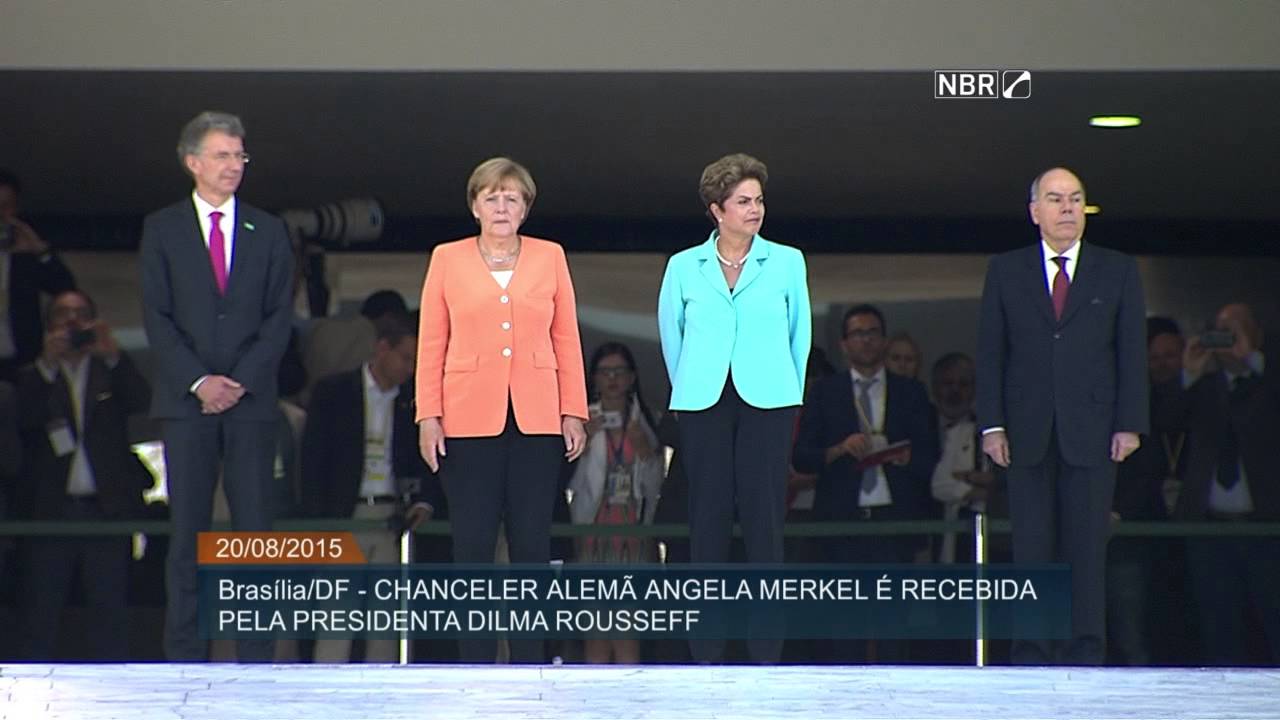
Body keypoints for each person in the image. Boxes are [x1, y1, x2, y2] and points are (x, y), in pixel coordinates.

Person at [415, 157, 588, 664]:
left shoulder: (550, 256)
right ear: (474, 206)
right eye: (491, 197)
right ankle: (476, 662)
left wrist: (572, 410)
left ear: (526, 208)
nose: (501, 206)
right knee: (472, 548)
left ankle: (531, 661)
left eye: (512, 197)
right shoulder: (446, 258)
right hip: (466, 420)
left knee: (532, 546)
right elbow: (431, 342)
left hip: (537, 418)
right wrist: (429, 415)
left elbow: (566, 338)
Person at [140, 111, 295, 662]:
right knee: (188, 535)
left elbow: (280, 317)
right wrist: (201, 381)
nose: (234, 166)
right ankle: (185, 655)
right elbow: (157, 318)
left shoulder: (268, 229)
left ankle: (257, 658)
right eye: (223, 155)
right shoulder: (161, 228)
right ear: (192, 162)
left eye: (240, 156)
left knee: (255, 533)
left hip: (250, 405)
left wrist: (240, 382)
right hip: (187, 405)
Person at [976, 167, 1147, 665]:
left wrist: (1129, 422)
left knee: (1087, 548)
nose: (1068, 208)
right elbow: (992, 352)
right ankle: (1030, 651)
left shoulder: (1116, 269)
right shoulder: (1006, 270)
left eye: (1076, 199)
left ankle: (1086, 651)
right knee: (1031, 546)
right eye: (1055, 199)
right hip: (1025, 431)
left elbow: (1130, 351)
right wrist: (992, 424)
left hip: (1094, 432)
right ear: (1035, 212)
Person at [657, 152, 811, 664]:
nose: (755, 209)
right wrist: (691, 389)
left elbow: (800, 337)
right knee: (707, 522)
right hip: (703, 403)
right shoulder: (683, 266)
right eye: (743, 201)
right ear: (716, 209)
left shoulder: (787, 261)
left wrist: (788, 392)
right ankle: (707, 650)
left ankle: (766, 650)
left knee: (765, 523)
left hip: (768, 401)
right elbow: (671, 338)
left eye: (759, 200)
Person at [793, 304, 938, 663]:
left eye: (873, 332)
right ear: (844, 344)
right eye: (858, 334)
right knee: (845, 624)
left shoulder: (911, 391)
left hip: (894, 520)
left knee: (894, 623)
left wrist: (905, 457)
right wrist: (840, 449)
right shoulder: (826, 392)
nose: (867, 340)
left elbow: (931, 451)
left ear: (884, 340)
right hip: (841, 521)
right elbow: (803, 456)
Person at [13, 290, 151, 659]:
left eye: (81, 315)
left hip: (105, 512)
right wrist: (46, 365)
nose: (72, 323)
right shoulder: (34, 376)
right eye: (63, 315)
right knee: (41, 613)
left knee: (110, 613)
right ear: (49, 326)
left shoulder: (110, 371)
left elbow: (143, 402)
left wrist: (113, 354)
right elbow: (22, 420)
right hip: (50, 514)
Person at [303, 312, 442, 663]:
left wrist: (424, 501)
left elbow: (431, 459)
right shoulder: (334, 393)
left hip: (392, 519)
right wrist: (319, 522)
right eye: (405, 358)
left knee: (386, 624)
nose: (410, 368)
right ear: (382, 348)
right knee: (336, 619)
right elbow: (313, 461)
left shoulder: (414, 401)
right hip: (342, 516)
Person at [1177, 302, 1280, 665]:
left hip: (1267, 529)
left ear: (1257, 336)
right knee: (1219, 628)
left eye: (1236, 330)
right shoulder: (1202, 386)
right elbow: (1162, 422)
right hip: (1210, 529)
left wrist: (1251, 362)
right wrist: (1188, 375)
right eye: (1221, 330)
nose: (1227, 338)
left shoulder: (1269, 379)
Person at [569, 342, 663, 664]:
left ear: (632, 378)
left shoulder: (645, 419)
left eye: (619, 372)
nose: (612, 379)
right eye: (605, 372)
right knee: (595, 625)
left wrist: (646, 450)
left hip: (631, 532)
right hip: (593, 530)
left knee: (627, 625)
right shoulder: (578, 418)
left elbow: (655, 485)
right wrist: (582, 442)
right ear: (593, 378)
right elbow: (565, 478)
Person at [0, 169, 77, 383]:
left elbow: (66, 289)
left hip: (20, 362)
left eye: (6, 206)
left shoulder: (25, 257)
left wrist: (39, 250)